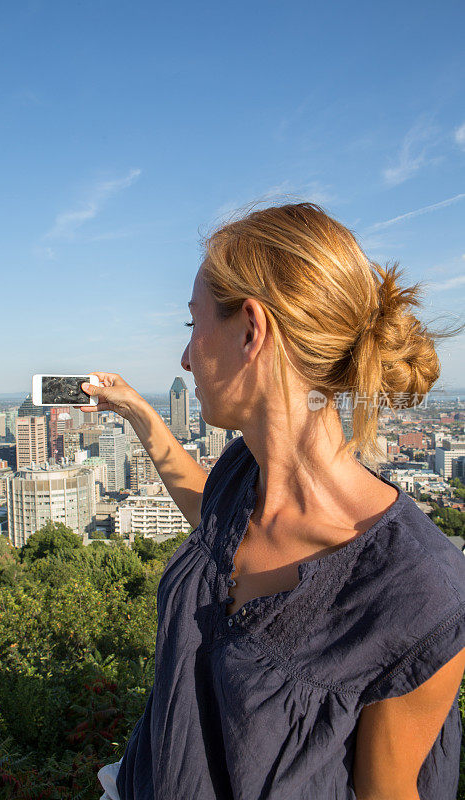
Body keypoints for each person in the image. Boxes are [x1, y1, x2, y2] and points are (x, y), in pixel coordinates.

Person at [83, 202, 465, 800]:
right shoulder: (243, 475)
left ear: (252, 329)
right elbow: (210, 518)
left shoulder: (418, 593)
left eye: (193, 326)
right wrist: (137, 410)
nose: (186, 357)